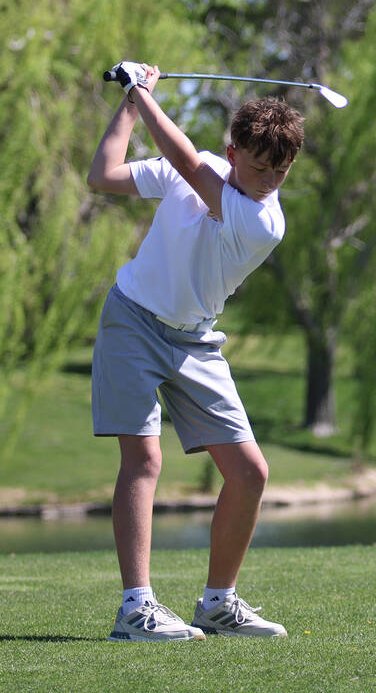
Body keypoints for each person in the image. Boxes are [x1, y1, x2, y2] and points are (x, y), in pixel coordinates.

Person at [87, 61, 304, 642]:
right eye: (258, 167)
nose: (267, 181)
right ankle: (136, 608)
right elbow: (103, 175)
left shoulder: (263, 221)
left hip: (195, 342)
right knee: (144, 461)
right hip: (132, 319)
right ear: (233, 152)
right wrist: (132, 106)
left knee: (250, 472)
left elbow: (186, 161)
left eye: (279, 173)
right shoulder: (204, 168)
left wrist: (140, 88)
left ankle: (218, 603)